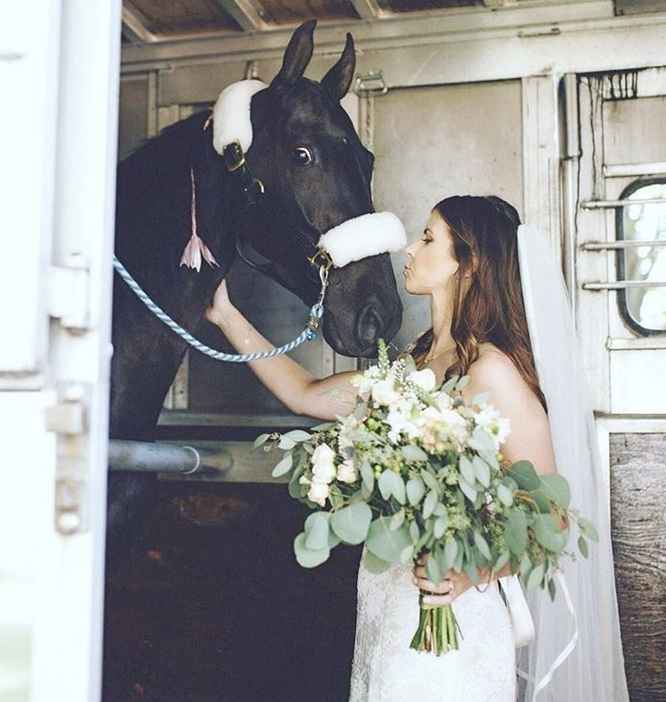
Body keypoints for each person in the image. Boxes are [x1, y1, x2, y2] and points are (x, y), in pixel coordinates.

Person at [205, 195, 629, 702]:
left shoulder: (491, 372)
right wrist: (226, 315)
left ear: (467, 264)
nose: (410, 247)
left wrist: (473, 571)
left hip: (453, 619)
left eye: (428, 238)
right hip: (387, 604)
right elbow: (305, 394)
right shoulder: (411, 361)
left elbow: (553, 517)